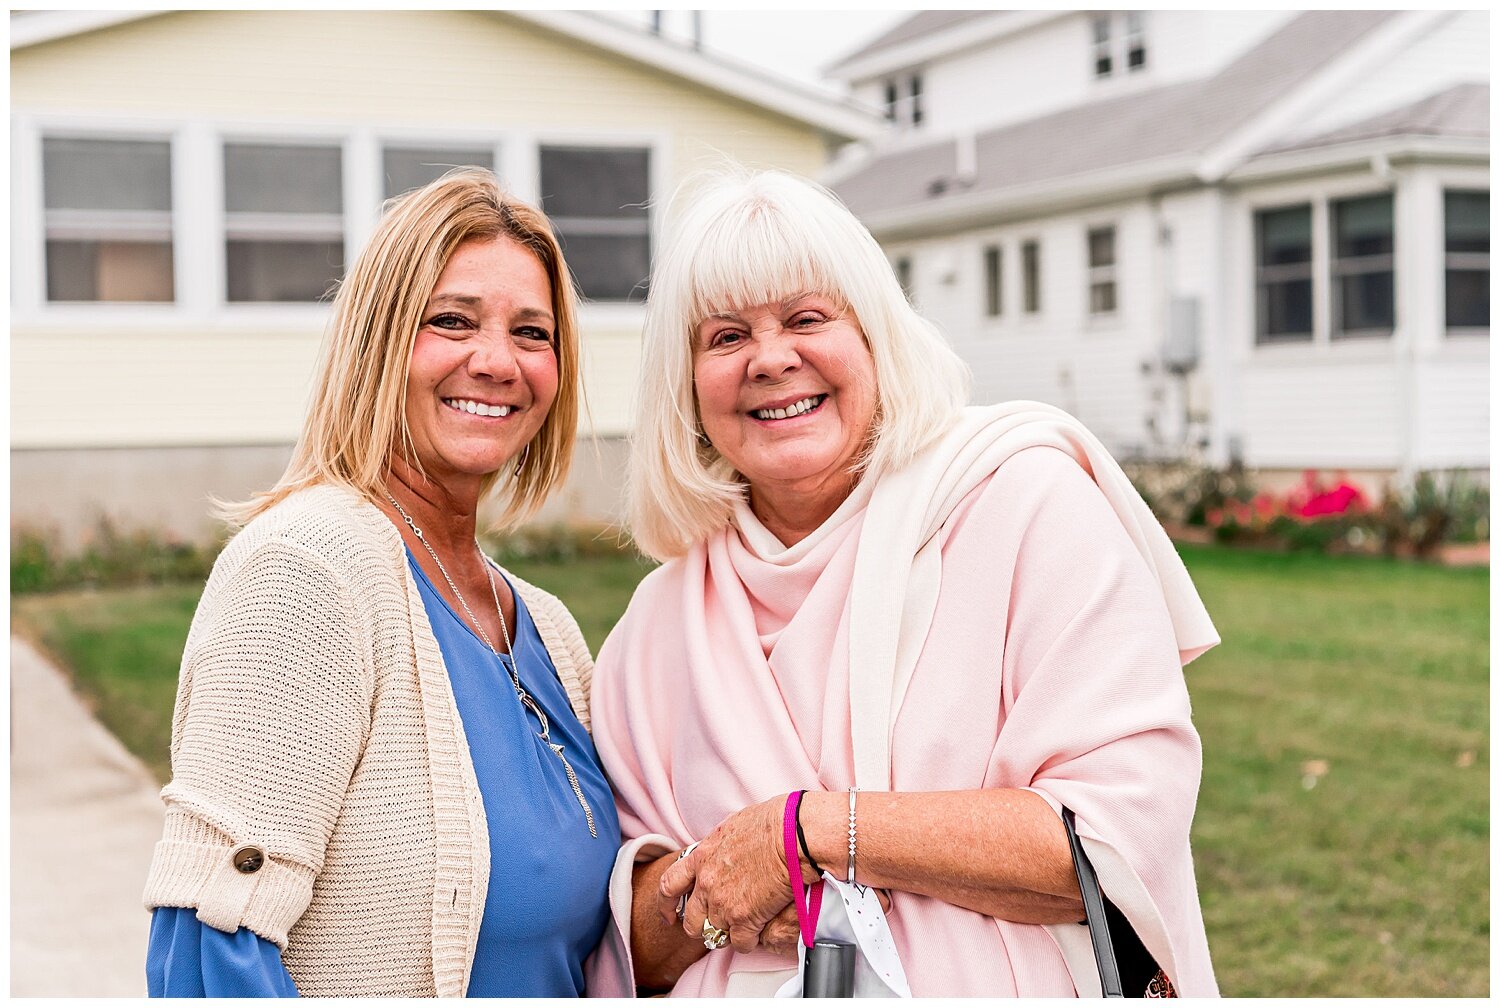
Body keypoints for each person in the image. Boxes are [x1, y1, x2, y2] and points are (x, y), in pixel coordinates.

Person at [589, 168, 1223, 997]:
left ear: (876, 338)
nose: (772, 359)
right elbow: (626, 933)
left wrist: (812, 834)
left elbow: (1108, 842)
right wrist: (715, 904)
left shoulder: (1025, 503)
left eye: (807, 318)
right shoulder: (657, 625)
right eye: (726, 336)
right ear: (685, 385)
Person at [141, 169, 631, 997]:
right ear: (378, 341)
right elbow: (205, 952)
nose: (496, 361)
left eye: (532, 333)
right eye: (451, 321)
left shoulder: (547, 629)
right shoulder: (308, 571)